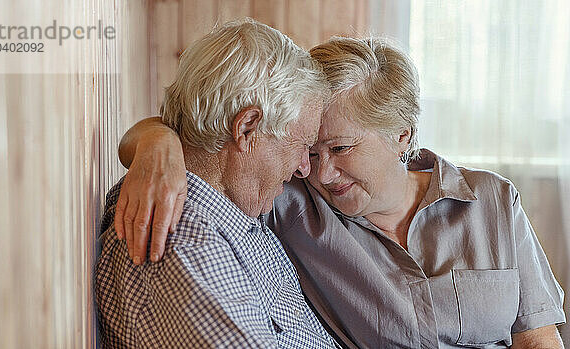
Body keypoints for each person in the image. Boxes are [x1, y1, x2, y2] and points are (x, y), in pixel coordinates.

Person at [115, 35, 566, 348]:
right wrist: (157, 147)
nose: (322, 171)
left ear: (402, 135)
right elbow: (207, 141)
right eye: (309, 149)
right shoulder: (292, 199)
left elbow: (538, 339)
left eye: (341, 148)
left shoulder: (492, 200)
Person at [95, 19, 340, 348]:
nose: (304, 168)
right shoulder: (185, 243)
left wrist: (154, 135)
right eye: (301, 146)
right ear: (247, 129)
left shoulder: (231, 209)